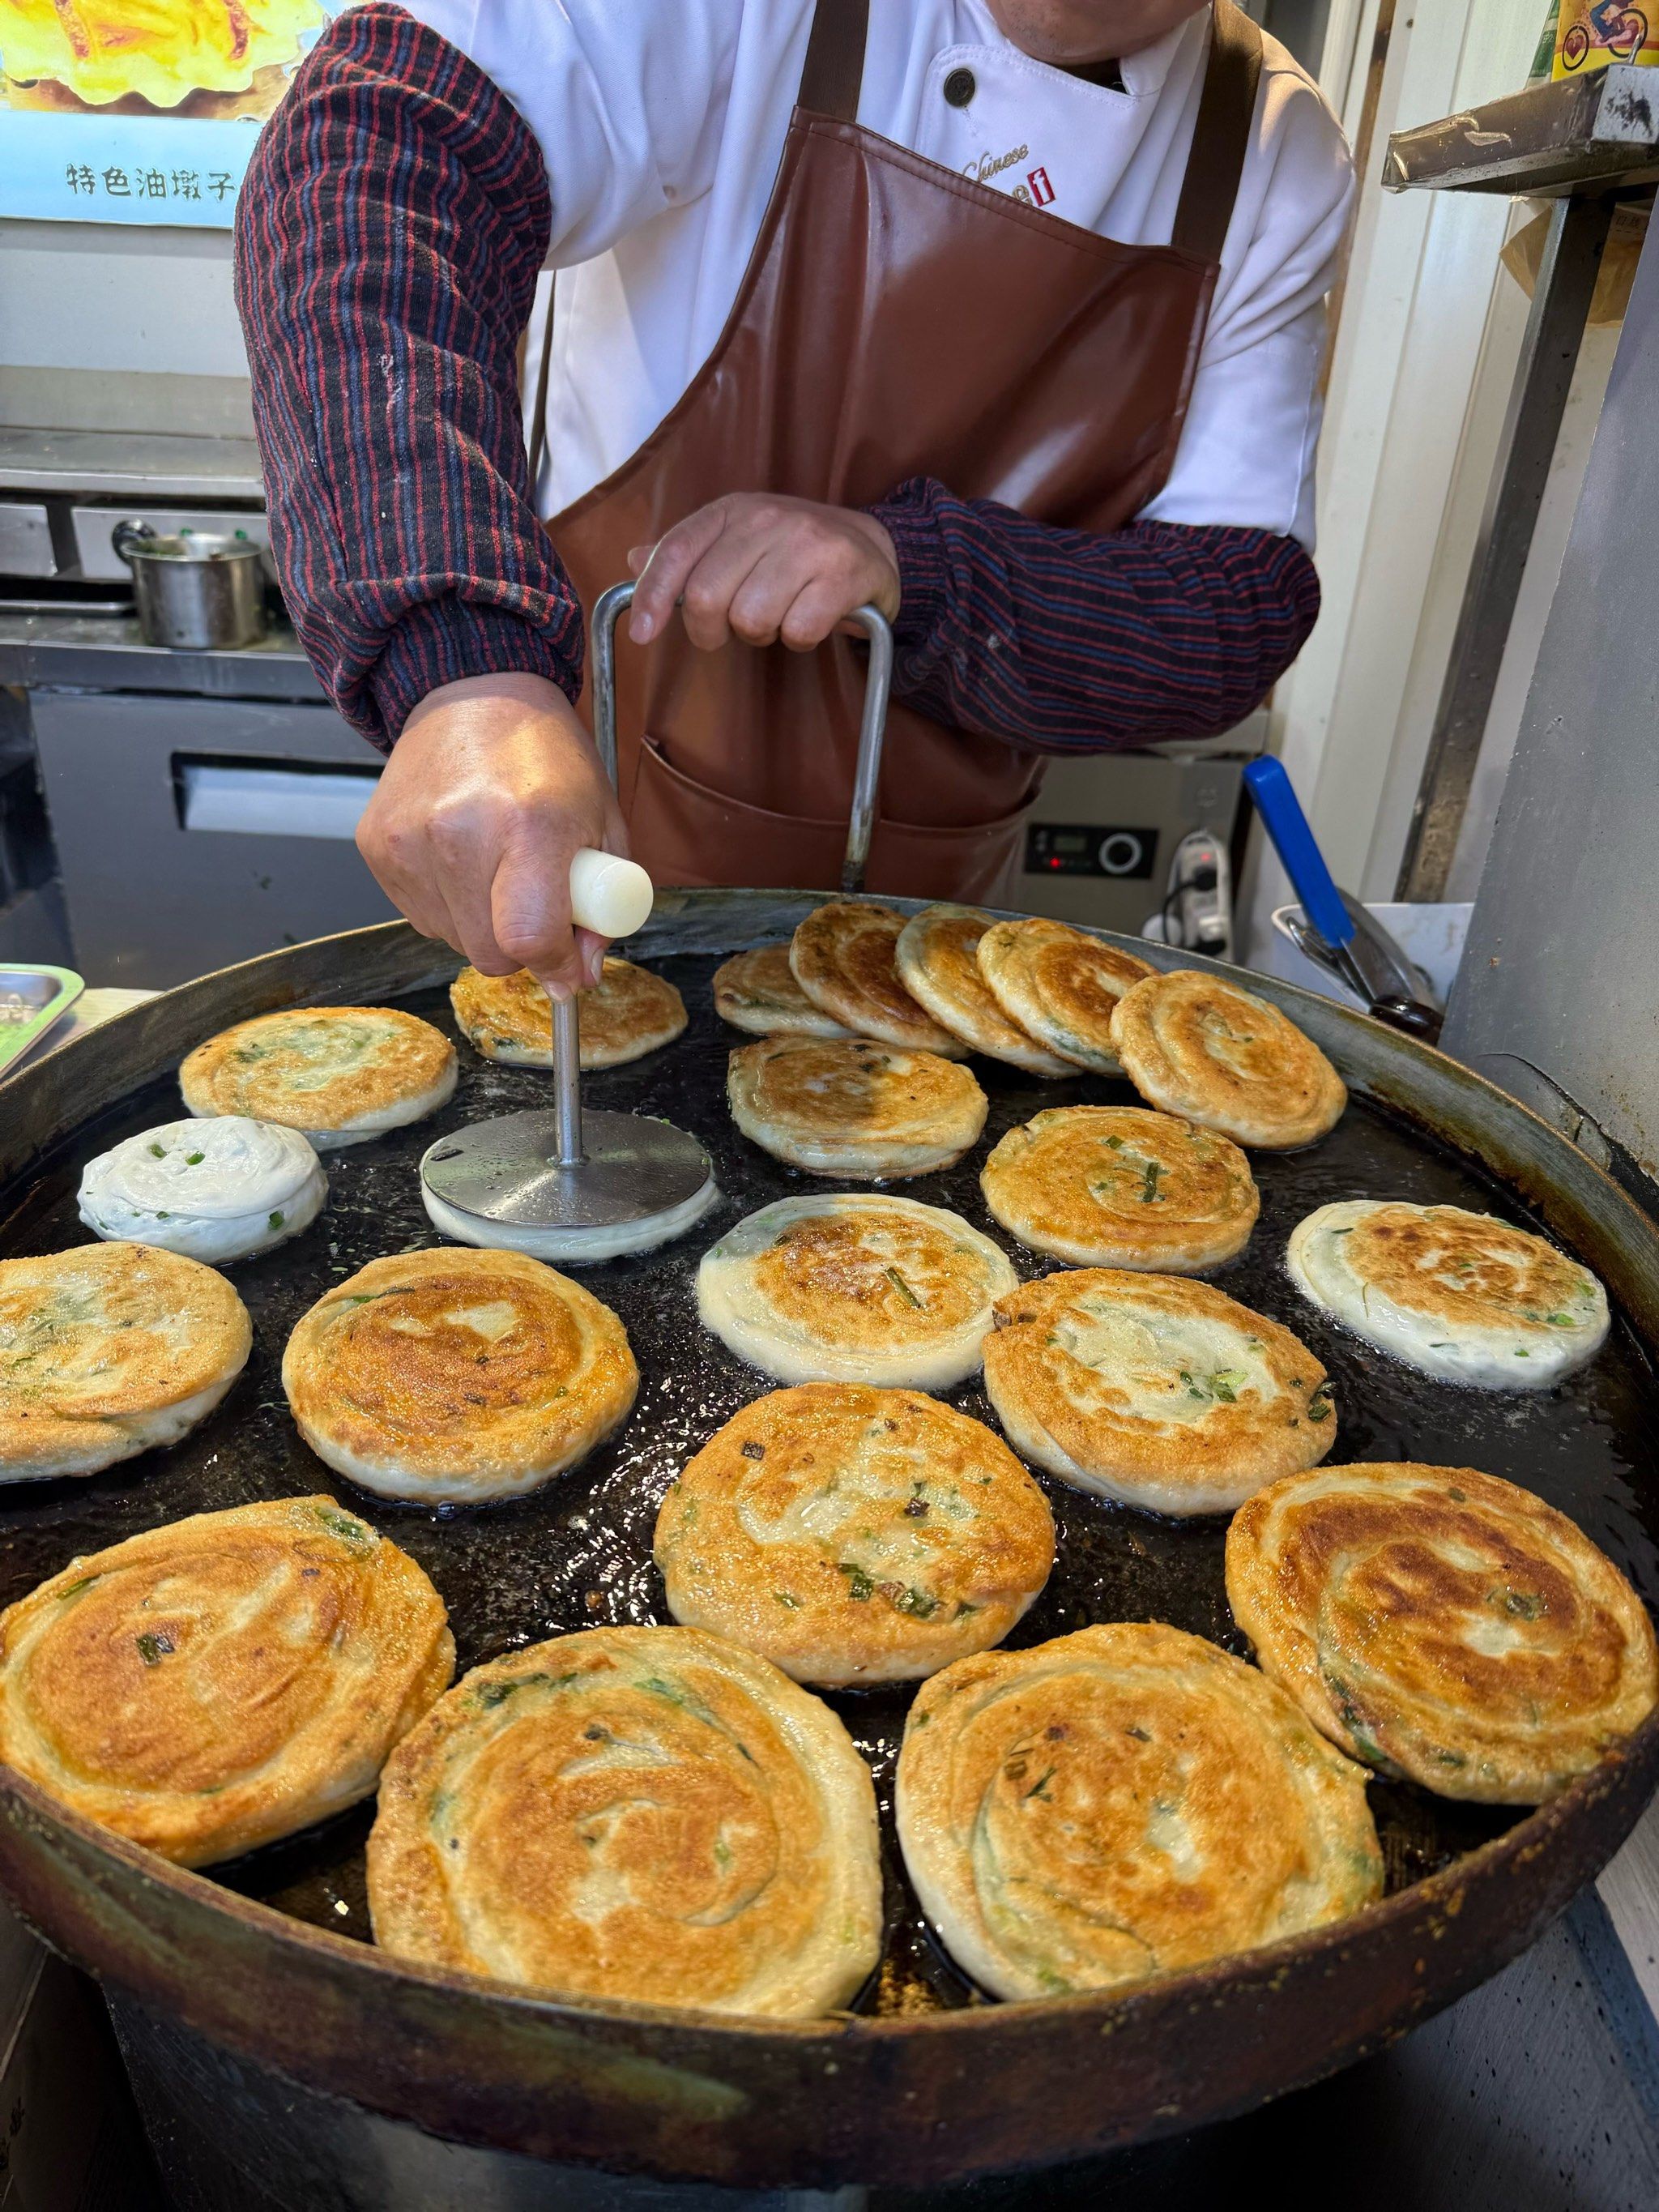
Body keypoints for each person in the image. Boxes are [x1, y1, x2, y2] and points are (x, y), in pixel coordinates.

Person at [235, 0, 1353, 997]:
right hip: (587, 849)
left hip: (938, 936)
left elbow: (1226, 610)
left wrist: (917, 566)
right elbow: (380, 143)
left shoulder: (1266, 151)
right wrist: (461, 670)